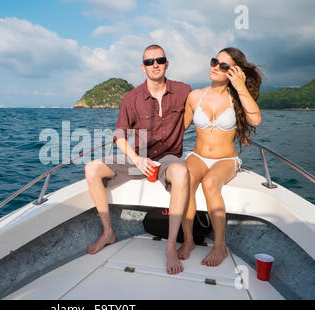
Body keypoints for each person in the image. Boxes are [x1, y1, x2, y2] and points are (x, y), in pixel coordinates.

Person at [84, 44, 191, 274]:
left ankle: (171, 245)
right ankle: (108, 232)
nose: (155, 65)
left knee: (182, 173)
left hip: (168, 159)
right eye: (150, 62)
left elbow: (204, 107)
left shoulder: (184, 91)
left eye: (159, 60)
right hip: (138, 158)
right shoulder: (131, 98)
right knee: (91, 169)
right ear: (142, 67)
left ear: (167, 63)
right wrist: (137, 160)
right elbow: (120, 136)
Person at [178, 47, 263, 267]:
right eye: (214, 61)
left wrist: (241, 86)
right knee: (185, 179)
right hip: (197, 155)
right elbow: (179, 127)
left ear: (233, 72)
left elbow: (255, 120)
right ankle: (188, 240)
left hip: (225, 159)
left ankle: (219, 245)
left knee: (209, 183)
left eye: (224, 65)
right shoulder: (195, 96)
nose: (216, 67)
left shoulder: (237, 98)